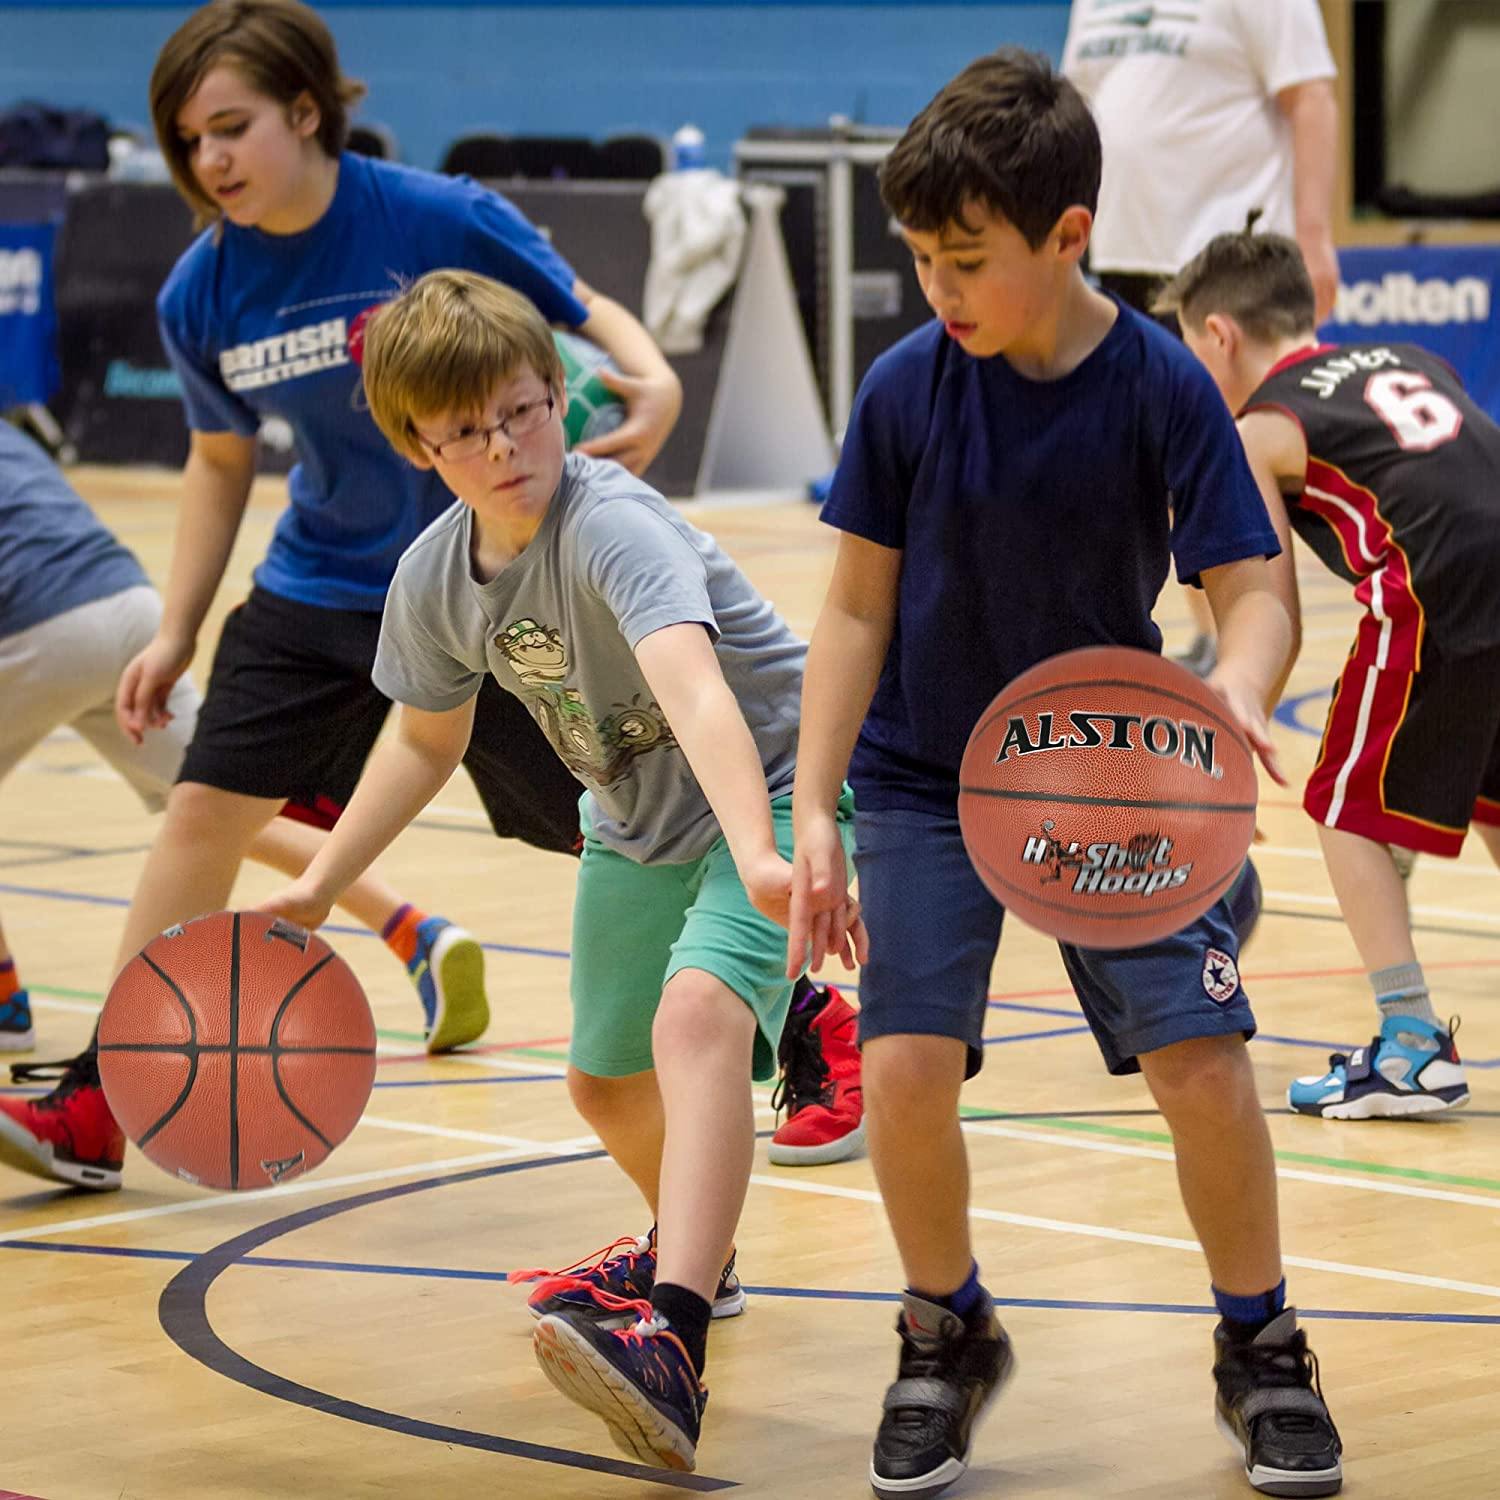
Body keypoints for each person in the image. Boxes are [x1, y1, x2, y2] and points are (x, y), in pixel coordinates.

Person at [0, 0, 684, 1184]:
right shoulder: (199, 293)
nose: (210, 159)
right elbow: (221, 465)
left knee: (602, 826)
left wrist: (656, 380)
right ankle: (108, 1097)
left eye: (231, 127)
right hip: (317, 585)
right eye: (188, 140)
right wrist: (174, 629)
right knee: (201, 812)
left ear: (306, 112)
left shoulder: (430, 215)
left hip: (489, 581)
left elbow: (582, 308)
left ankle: (798, 1010)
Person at [786, 50, 1342, 1500]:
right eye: (918, 259)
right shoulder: (908, 388)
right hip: (921, 773)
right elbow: (852, 609)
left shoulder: (1161, 383)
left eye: (966, 260)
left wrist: (1231, 691)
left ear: (1071, 237)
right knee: (904, 1071)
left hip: (1115, 777)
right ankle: (942, 1327)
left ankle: (1262, 1343)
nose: (936, 289)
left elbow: (1256, 588)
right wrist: (813, 809)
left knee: (1204, 1067)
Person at [257, 268, 860, 1473]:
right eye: (468, 431)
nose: (505, 444)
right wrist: (323, 880)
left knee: (693, 1024)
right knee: (604, 1083)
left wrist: (759, 847)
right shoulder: (434, 578)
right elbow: (425, 739)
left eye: (526, 410)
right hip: (635, 818)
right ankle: (701, 1253)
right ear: (417, 444)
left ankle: (673, 1336)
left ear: (558, 395)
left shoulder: (615, 524)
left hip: (784, 784)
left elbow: (697, 692)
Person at [0, 419, 483, 1191]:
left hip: (32, 623)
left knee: (210, 815)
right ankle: (413, 930)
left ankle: (6, 1005)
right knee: (214, 811)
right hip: (123, 611)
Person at [1158, 226, 1490, 1121]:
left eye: (1193, 348)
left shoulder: (1262, 425)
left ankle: (1412, 1042)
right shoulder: (1412, 357)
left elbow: (1275, 608)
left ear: (1220, 335)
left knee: (1340, 805)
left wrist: (1241, 715)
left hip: (1435, 587)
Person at [1063, 0, 1339, 677]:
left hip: (1217, 258)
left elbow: (1312, 98)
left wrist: (1314, 235)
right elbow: (1076, 106)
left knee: (1225, 462)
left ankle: (1247, 640)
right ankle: (1208, 634)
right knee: (1146, 463)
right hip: (1121, 252)